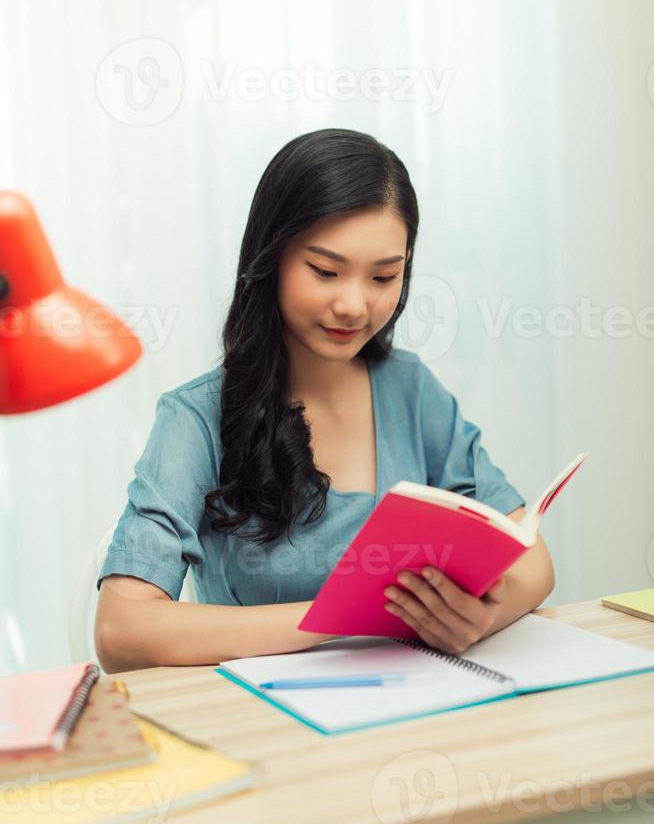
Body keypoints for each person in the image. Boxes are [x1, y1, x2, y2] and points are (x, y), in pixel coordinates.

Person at [95, 127, 554, 674]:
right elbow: (121, 631)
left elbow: (533, 563)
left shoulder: (412, 391)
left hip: (414, 711)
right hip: (268, 725)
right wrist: (338, 616)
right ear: (272, 258)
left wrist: (480, 616)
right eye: (326, 272)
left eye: (385, 276)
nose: (354, 305)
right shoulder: (196, 417)